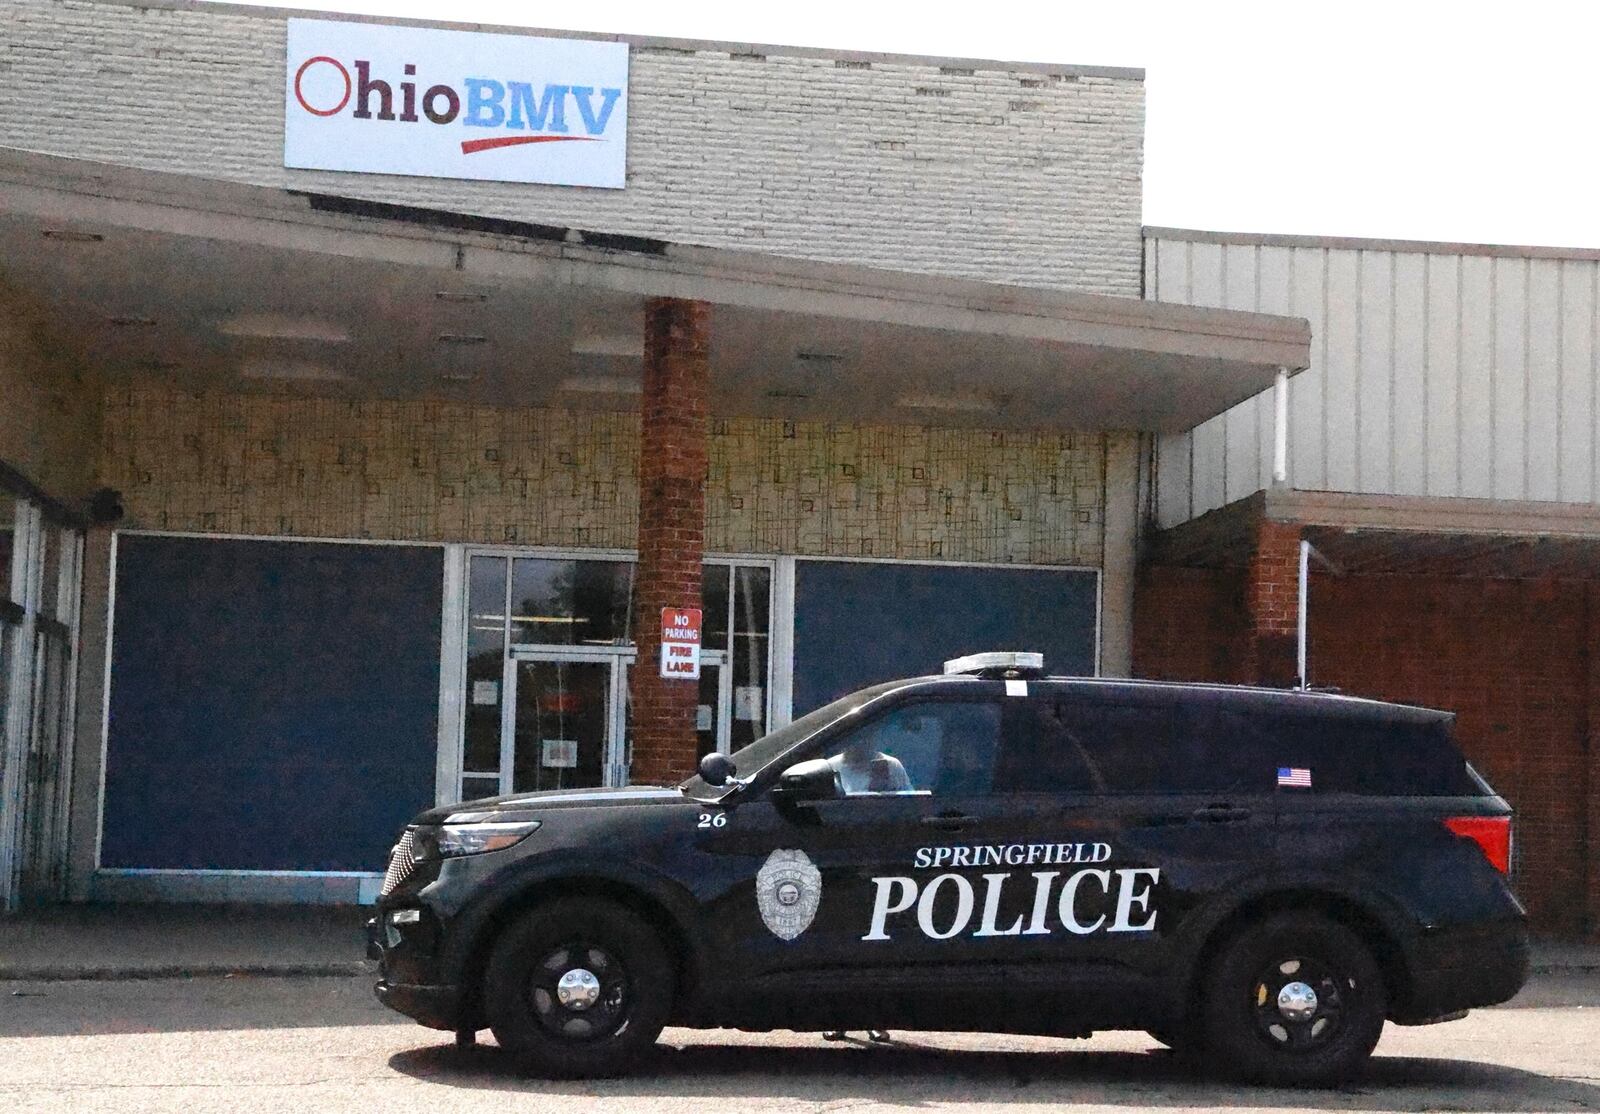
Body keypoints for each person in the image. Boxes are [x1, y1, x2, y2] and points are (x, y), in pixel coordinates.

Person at [826, 735, 912, 796]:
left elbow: (910, 803)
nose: (860, 742)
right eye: (856, 737)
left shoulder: (891, 765)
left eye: (865, 736)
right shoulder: (830, 768)